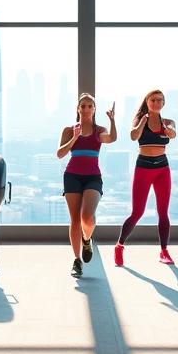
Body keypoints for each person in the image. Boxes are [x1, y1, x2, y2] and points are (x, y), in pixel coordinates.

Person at [56, 94, 117, 278]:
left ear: (94, 109)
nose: (86, 109)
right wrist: (74, 137)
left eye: (90, 106)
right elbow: (60, 154)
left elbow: (111, 138)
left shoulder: (99, 130)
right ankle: (76, 260)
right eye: (83, 106)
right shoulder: (69, 130)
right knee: (75, 219)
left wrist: (112, 120)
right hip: (72, 176)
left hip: (93, 177)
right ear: (78, 109)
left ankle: (87, 239)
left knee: (87, 217)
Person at [114, 90, 176, 267]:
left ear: (164, 103)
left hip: (162, 169)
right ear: (147, 102)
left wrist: (166, 128)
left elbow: (172, 135)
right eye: (153, 100)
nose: (156, 103)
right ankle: (119, 246)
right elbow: (134, 136)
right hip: (144, 168)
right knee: (137, 212)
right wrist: (143, 121)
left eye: (160, 100)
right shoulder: (140, 119)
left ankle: (164, 251)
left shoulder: (168, 122)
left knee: (163, 212)